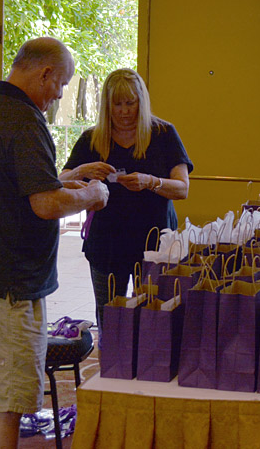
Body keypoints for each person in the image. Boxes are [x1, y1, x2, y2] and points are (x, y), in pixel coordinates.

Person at [0, 37, 110, 449]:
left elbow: (11, 187)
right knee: (7, 401)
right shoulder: (24, 119)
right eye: (62, 84)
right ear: (45, 73)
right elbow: (45, 203)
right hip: (9, 287)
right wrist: (92, 195)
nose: (58, 95)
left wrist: (68, 176)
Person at [62, 68, 193, 327]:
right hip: (107, 244)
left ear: (140, 102)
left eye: (130, 103)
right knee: (110, 319)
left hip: (154, 244)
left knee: (154, 320)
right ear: (106, 106)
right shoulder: (92, 138)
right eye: (117, 104)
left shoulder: (164, 134)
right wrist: (82, 170)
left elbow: (182, 189)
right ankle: (110, 363)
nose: (123, 111)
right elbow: (61, 181)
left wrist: (151, 182)